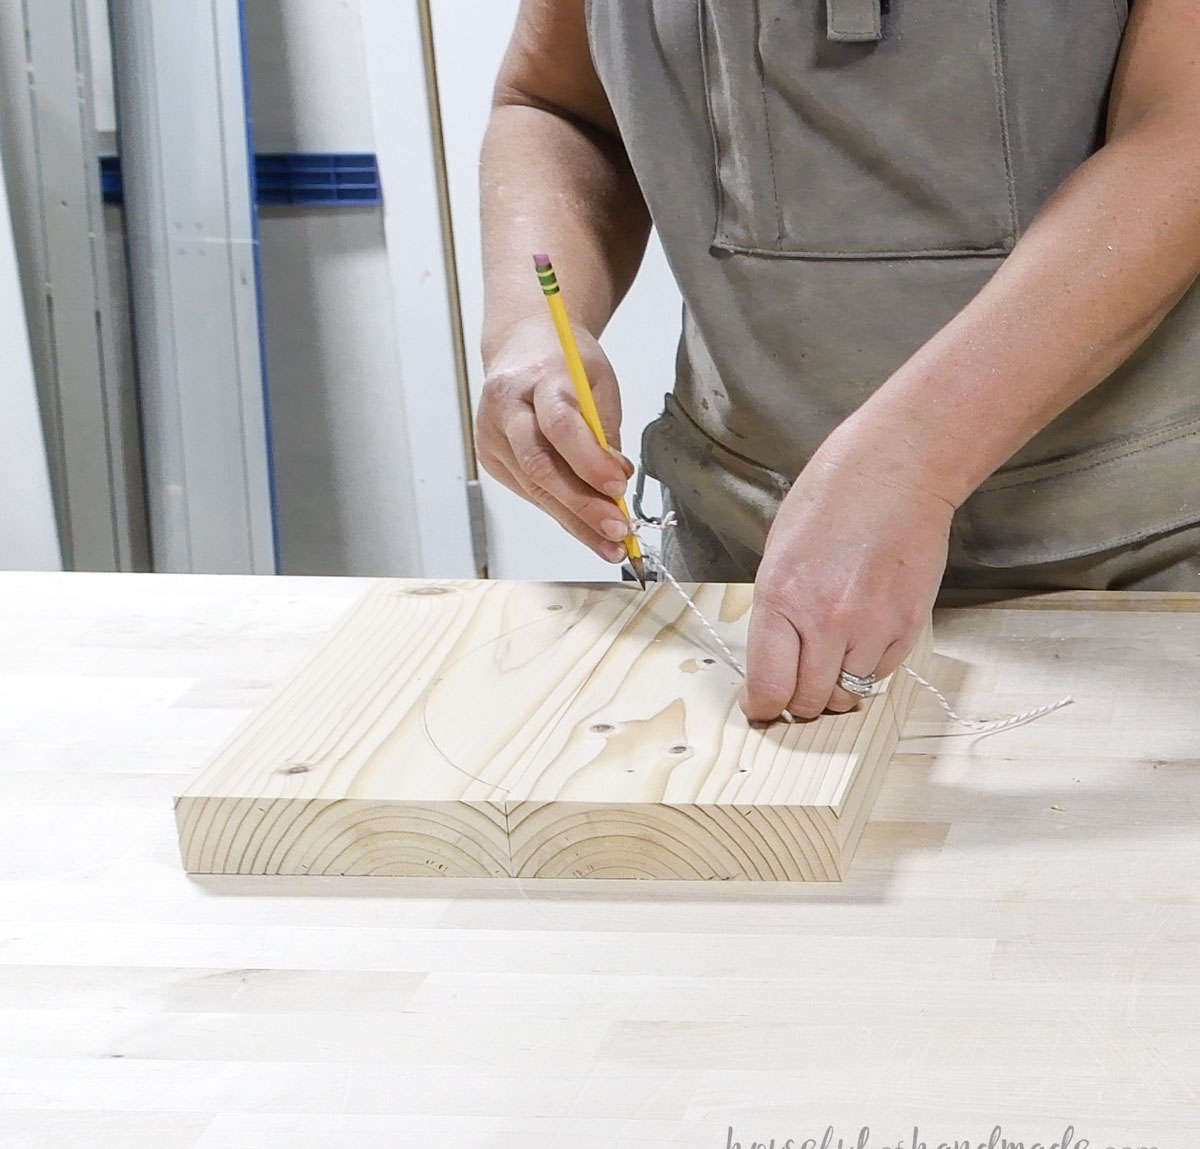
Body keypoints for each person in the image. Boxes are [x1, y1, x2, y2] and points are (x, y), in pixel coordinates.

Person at [475, 0, 1200, 723]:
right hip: (743, 572)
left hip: (1136, 580)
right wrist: (532, 324)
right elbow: (556, 104)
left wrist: (909, 461)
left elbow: (1182, 129)